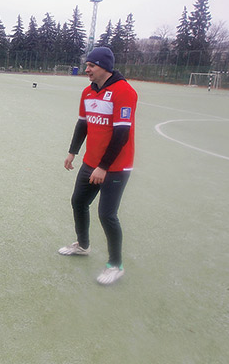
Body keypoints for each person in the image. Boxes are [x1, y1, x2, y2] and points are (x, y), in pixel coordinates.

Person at [59, 46, 138, 285]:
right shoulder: (87, 92)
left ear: (103, 66)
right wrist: (73, 152)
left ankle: (116, 265)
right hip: (90, 163)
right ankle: (83, 245)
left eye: (91, 66)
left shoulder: (125, 92)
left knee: (107, 214)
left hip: (115, 166)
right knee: (79, 202)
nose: (87, 70)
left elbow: (122, 133)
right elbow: (83, 124)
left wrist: (103, 166)